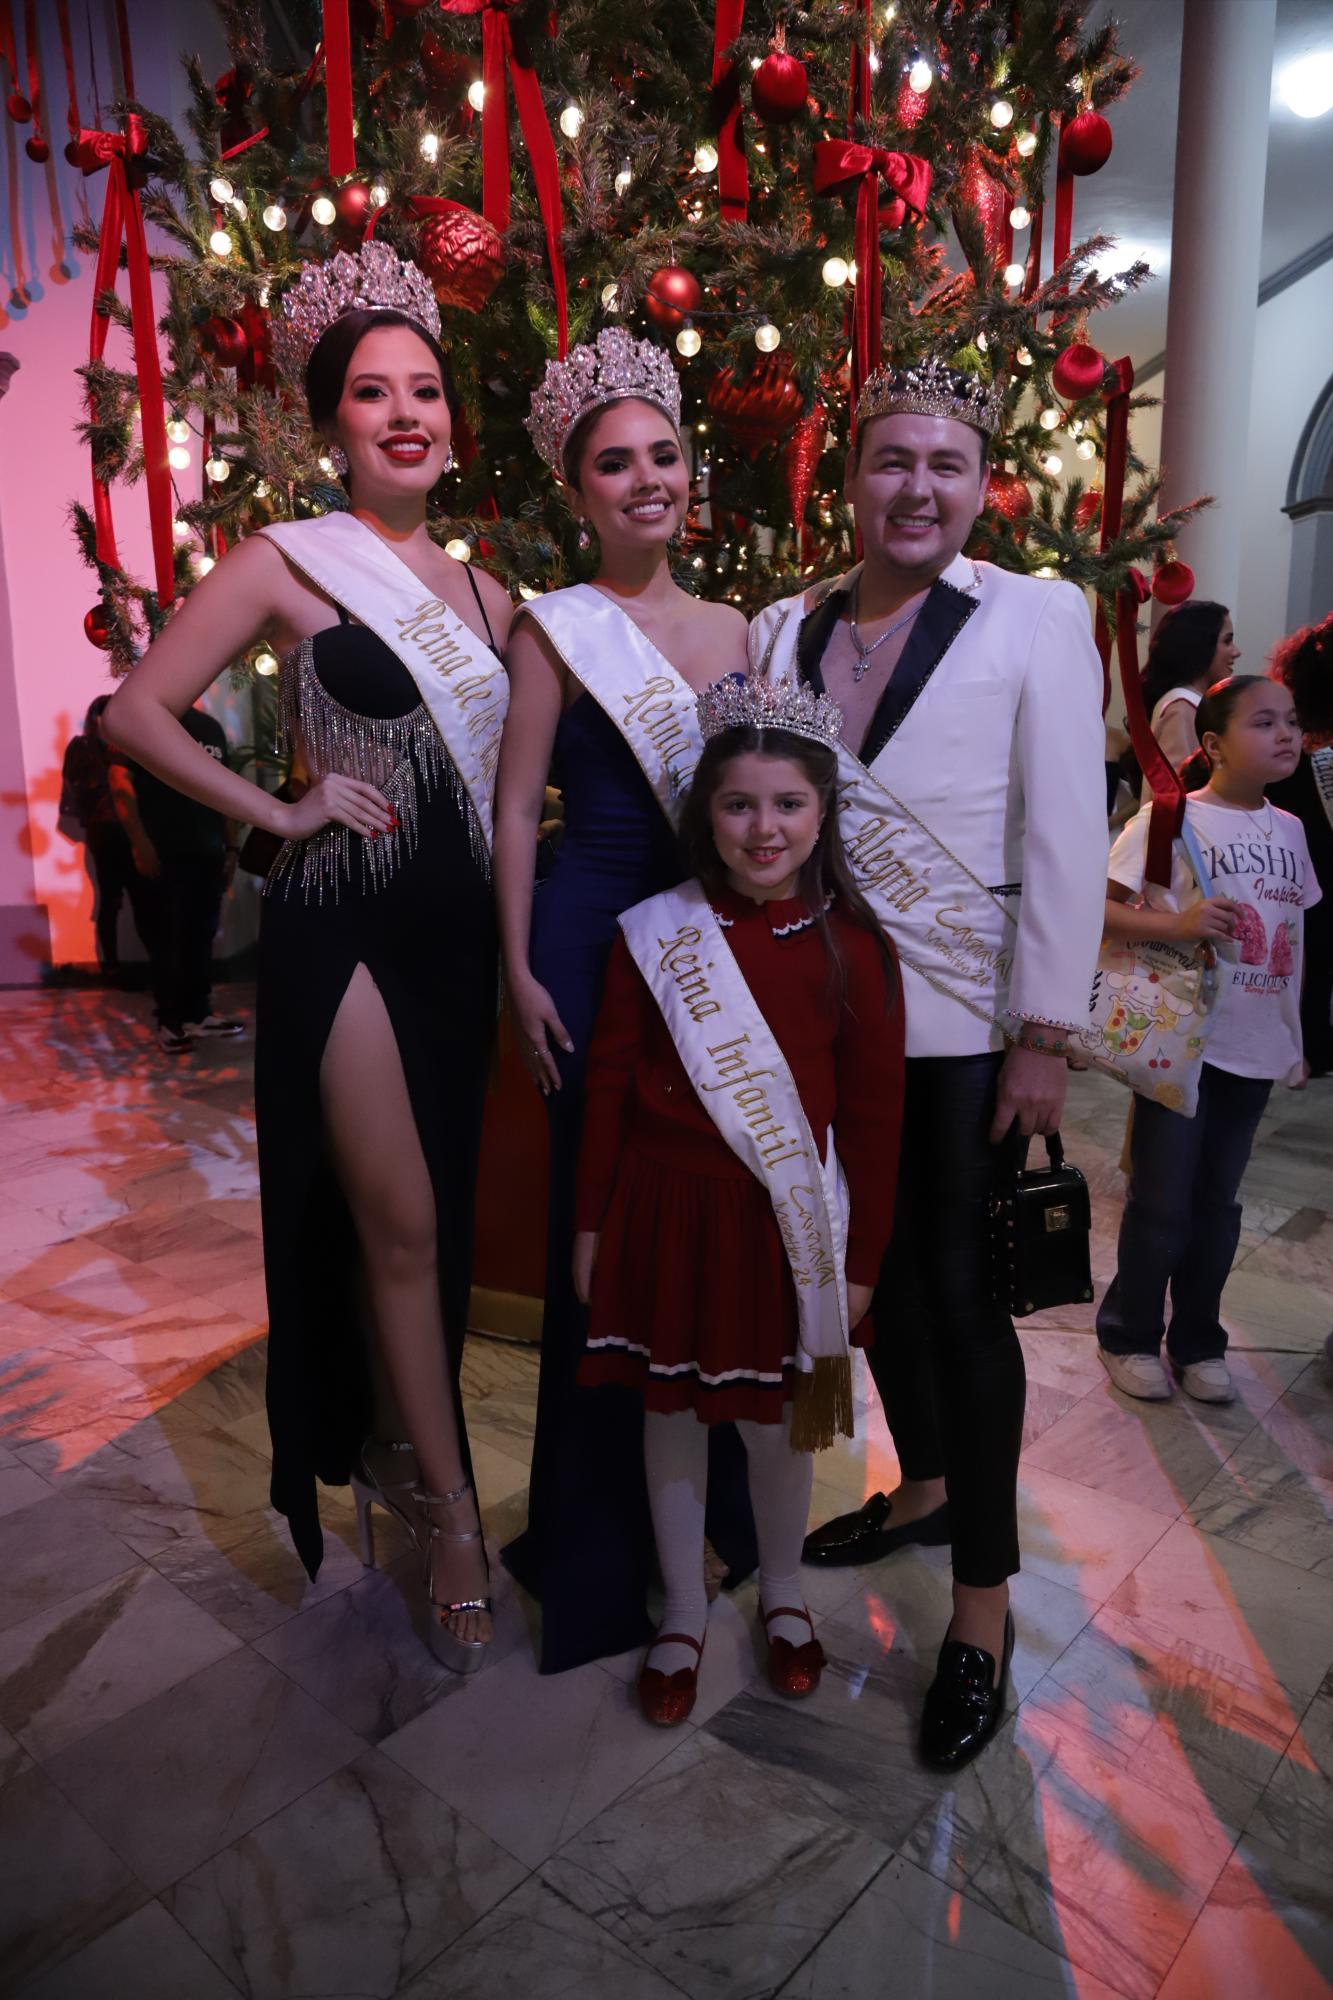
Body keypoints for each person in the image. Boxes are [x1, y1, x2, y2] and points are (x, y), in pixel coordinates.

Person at [106, 243, 511, 1672]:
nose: (404, 413)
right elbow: (135, 712)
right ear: (332, 422)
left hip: (457, 938)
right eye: (370, 393)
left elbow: (519, 792)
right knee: (396, 1220)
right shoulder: (287, 561)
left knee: (434, 1226)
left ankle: (404, 1441)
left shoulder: (491, 599)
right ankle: (451, 1510)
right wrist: (276, 809)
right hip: (342, 924)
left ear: (454, 417)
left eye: (425, 389)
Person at [750, 355, 1108, 1770]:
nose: (917, 488)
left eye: (945, 465)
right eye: (892, 461)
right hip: (824, 1033)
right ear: (851, 480)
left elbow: (1066, 836)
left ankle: (980, 1613)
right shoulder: (783, 627)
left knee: (961, 1311)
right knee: (875, 1290)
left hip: (964, 1035)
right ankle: (924, 1484)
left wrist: (1044, 1032)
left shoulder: (1037, 616)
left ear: (980, 481)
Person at [494, 327, 758, 1673]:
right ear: (578, 488)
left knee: (699, 1217)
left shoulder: (735, 630)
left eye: (662, 452)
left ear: (685, 470)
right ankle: (598, 1546)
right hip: (592, 935)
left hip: (702, 940)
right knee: (592, 1231)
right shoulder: (555, 625)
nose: (644, 477)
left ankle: (703, 1511)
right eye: (615, 461)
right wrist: (517, 961)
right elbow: (513, 807)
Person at [573, 674, 904, 1723]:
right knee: (667, 1413)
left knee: (775, 1426)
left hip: (783, 1226)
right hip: (664, 1213)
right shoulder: (653, 931)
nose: (763, 829)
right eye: (737, 804)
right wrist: (589, 1222)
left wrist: (861, 1267)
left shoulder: (855, 945)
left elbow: (878, 1120)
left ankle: (786, 1595)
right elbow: (610, 1086)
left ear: (823, 812)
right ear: (703, 811)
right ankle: (680, 1606)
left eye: (788, 804)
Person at [1096, 676, 1319, 1403]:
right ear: (1213, 743)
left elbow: (1294, 938)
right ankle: (1128, 1333)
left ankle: (1197, 1341)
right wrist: (1176, 925)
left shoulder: (1290, 829)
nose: (1284, 734)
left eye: (1289, 721)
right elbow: (1095, 911)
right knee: (1161, 1201)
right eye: (1263, 722)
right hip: (1181, 1043)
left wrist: (1296, 1033)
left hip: (1253, 1044)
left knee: (1219, 1204)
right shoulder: (1169, 820)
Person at [107, 702, 244, 1051]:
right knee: (166, 939)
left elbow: (224, 787)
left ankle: (198, 1014)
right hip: (163, 851)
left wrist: (231, 847)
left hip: (208, 851)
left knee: (201, 935)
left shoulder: (210, 727)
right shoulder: (139, 718)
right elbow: (120, 781)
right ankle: (170, 1021)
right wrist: (139, 842)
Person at [1268, 614, 1333, 1076]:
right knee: (1312, 951)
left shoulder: (1299, 725)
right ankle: (1309, 1045)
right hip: (1306, 856)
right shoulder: (1310, 735)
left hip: (1300, 854)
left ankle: (1310, 1044)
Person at [60, 694, 152, 982]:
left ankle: (157, 965)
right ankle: (111, 968)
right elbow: (77, 783)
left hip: (130, 828)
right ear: (96, 718)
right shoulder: (83, 746)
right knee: (111, 900)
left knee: (144, 899)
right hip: (104, 831)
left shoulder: (130, 746)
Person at [1138, 600, 1240, 782]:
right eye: (1227, 641)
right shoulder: (1181, 707)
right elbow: (1178, 791)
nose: (1236, 652)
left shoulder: (1192, 704)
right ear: (1201, 645)